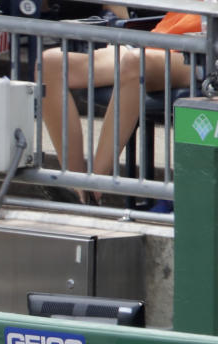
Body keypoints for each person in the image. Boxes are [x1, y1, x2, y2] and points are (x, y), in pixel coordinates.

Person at [41, 8, 196, 204]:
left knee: (135, 62)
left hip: (202, 54)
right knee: (52, 63)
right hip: (159, 40)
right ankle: (74, 186)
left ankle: (93, 188)